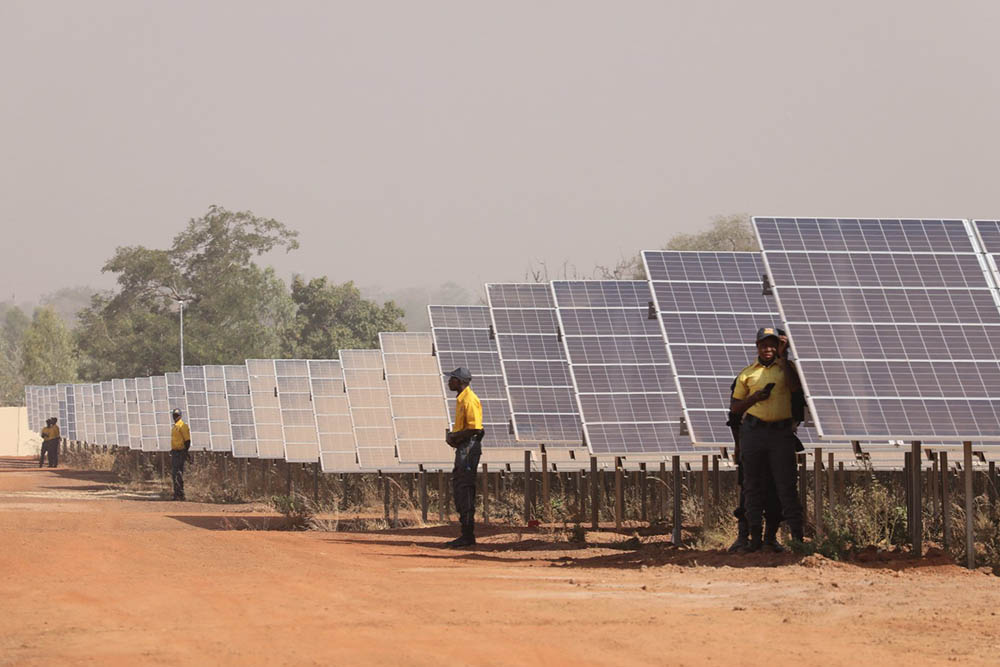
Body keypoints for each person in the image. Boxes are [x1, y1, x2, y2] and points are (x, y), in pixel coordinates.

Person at [726, 328, 803, 553]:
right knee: (752, 487)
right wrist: (754, 398)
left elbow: (795, 388)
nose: (768, 349)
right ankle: (752, 539)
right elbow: (734, 409)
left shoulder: (788, 369)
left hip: (781, 434)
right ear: (757, 346)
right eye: (763, 345)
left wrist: (784, 356)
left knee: (785, 487)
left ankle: (795, 541)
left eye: (772, 344)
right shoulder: (747, 374)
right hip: (754, 433)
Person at [443, 367, 484, 548]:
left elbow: (475, 428)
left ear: (459, 381)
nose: (449, 381)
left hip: (468, 448)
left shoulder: (469, 399)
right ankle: (465, 533)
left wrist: (456, 436)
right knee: (460, 486)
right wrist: (455, 439)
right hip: (464, 447)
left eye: (452, 378)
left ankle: (468, 535)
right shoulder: (461, 399)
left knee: (465, 487)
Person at [170, 408, 191, 501]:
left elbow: (187, 441)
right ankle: (177, 493)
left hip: (180, 452)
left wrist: (185, 452)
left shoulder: (183, 426)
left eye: (177, 415)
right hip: (175, 452)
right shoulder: (175, 427)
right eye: (174, 415)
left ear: (180, 416)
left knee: (178, 473)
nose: (175, 417)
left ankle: (180, 494)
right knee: (175, 473)